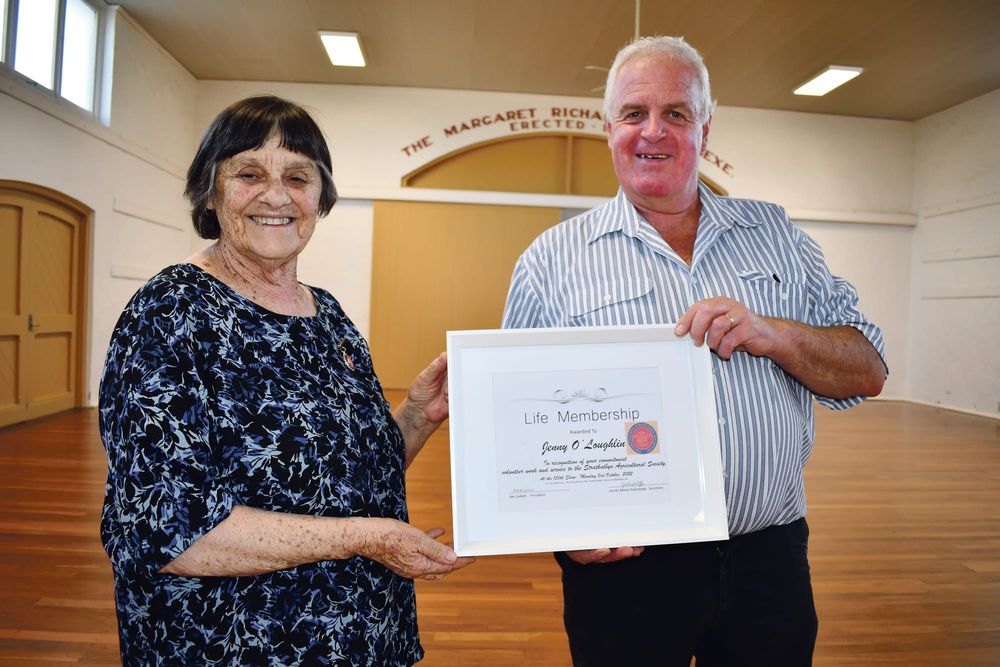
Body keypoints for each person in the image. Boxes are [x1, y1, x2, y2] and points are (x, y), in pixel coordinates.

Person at [502, 36, 887, 666]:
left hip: (770, 562)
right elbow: (518, 423)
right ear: (608, 128)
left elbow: (867, 369)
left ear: (705, 129)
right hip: (627, 572)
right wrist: (562, 532)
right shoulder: (552, 261)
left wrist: (776, 334)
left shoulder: (778, 236)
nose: (653, 131)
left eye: (676, 113)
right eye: (634, 113)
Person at [99, 95, 473, 666]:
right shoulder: (171, 312)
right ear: (210, 190)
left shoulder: (328, 316)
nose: (276, 195)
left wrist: (418, 416)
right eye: (249, 173)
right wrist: (367, 538)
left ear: (319, 198)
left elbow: (345, 476)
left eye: (298, 177)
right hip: (233, 644)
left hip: (360, 634)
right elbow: (171, 532)